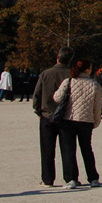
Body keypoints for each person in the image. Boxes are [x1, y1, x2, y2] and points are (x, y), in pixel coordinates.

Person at [53, 59, 102, 189]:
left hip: (69, 119)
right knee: (87, 149)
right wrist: (96, 121)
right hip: (86, 120)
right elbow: (97, 107)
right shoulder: (94, 85)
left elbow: (57, 98)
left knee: (68, 150)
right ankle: (93, 178)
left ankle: (71, 178)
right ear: (87, 70)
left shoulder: (69, 82)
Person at [33, 46, 74, 188]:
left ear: (57, 57)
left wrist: (39, 112)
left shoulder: (45, 74)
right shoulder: (72, 74)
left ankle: (47, 179)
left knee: (47, 150)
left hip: (47, 115)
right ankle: (70, 177)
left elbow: (37, 95)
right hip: (66, 116)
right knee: (68, 149)